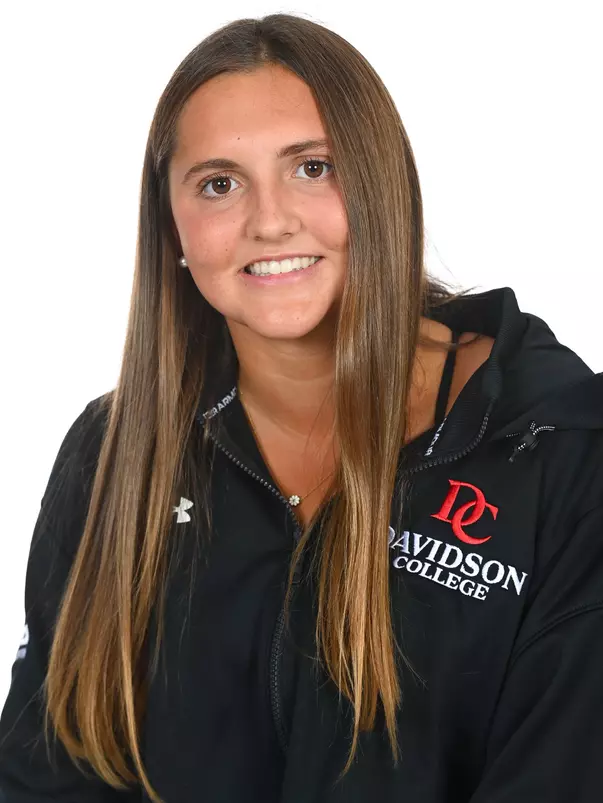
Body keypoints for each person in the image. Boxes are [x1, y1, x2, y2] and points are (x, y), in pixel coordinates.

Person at [1, 12, 602, 803]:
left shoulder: (561, 452)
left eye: (313, 168)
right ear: (172, 228)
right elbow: (45, 775)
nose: (270, 220)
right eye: (219, 184)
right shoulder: (113, 454)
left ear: (382, 185)